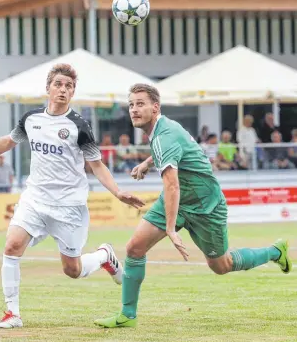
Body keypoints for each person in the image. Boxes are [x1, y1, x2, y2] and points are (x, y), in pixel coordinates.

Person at [0, 64, 144, 329]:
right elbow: (7, 142)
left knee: (72, 270)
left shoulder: (79, 126)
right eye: (59, 84)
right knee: (11, 246)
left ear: (73, 92)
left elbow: (96, 164)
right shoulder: (31, 119)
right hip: (35, 198)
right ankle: (12, 313)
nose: (63, 90)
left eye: (69, 86)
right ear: (48, 88)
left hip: (68, 205)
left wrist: (118, 191)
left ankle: (104, 256)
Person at [94, 83, 292, 329]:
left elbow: (172, 186)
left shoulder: (163, 135)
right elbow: (174, 154)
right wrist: (147, 163)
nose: (134, 109)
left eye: (140, 104)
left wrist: (170, 229)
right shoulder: (163, 130)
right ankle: (128, 315)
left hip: (206, 205)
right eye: (131, 104)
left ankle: (275, 251)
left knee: (222, 265)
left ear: (155, 108)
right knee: (134, 248)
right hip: (180, 200)